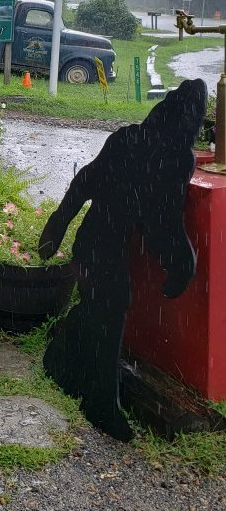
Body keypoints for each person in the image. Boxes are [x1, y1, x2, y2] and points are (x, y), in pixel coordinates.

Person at [38, 78, 207, 440]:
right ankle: (100, 403)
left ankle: (59, 361)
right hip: (103, 245)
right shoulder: (175, 157)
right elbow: (164, 221)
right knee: (110, 307)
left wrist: (59, 223)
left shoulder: (130, 137)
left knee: (99, 306)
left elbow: (85, 181)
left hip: (93, 241)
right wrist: (182, 262)